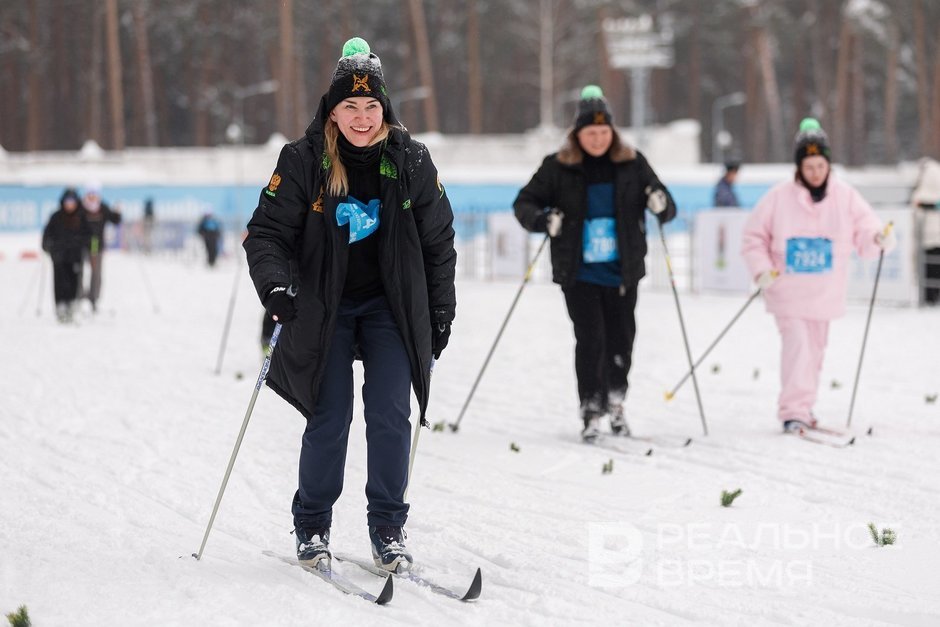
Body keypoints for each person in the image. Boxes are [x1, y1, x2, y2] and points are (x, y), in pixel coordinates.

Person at [243, 37, 456, 573]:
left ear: (384, 109)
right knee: (329, 414)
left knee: (390, 414)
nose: (362, 118)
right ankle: (312, 525)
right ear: (332, 111)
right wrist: (275, 288)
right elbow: (267, 233)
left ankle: (388, 528)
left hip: (390, 308)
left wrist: (440, 310)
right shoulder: (302, 160)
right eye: (350, 106)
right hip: (324, 309)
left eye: (371, 106)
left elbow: (439, 240)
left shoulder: (410, 159)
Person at [513, 85, 677, 442]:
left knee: (622, 341)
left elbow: (667, 204)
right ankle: (591, 408)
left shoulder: (632, 162)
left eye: (604, 132)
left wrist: (659, 202)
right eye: (591, 132)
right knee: (590, 340)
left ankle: (615, 403)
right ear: (578, 133)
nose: (598, 139)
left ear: (612, 131)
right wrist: (544, 220)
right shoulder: (558, 165)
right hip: (579, 273)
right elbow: (524, 203)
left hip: (622, 273)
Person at [741, 118, 896, 432]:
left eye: (820, 166)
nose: (815, 172)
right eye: (809, 166)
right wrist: (762, 270)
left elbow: (866, 228)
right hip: (788, 292)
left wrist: (878, 238)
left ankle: (804, 406)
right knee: (798, 347)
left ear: (829, 165)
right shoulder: (778, 197)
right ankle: (793, 410)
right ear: (799, 167)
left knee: (814, 352)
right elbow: (753, 237)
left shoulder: (845, 195)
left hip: (825, 294)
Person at [42, 188, 90, 323]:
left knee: (73, 281)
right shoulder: (56, 217)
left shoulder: (81, 217)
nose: (70, 205)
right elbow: (47, 233)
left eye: (72, 202)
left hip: (75, 256)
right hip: (59, 256)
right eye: (67, 202)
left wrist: (87, 247)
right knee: (59, 281)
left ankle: (72, 303)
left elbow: (89, 236)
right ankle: (60, 305)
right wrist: (46, 245)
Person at [81, 182, 122, 312]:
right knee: (78, 271)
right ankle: (79, 295)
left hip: (96, 244)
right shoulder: (81, 208)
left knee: (96, 272)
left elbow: (114, 220)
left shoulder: (102, 207)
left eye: (94, 194)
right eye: (90, 194)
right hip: (82, 244)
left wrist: (118, 213)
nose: (92, 197)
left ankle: (93, 298)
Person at [910, 157, 940, 305]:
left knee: (929, 270)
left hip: (927, 240)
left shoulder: (920, 195)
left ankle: (929, 299)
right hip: (932, 239)